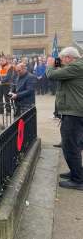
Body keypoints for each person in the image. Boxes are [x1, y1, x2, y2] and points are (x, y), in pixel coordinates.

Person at [46, 47, 83, 190]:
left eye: (61, 59)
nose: (59, 62)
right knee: (75, 145)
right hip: (75, 112)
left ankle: (78, 180)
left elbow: (51, 76)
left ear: (69, 58)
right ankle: (76, 172)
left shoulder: (76, 66)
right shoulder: (76, 66)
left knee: (69, 147)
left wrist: (50, 65)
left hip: (74, 114)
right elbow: (60, 74)